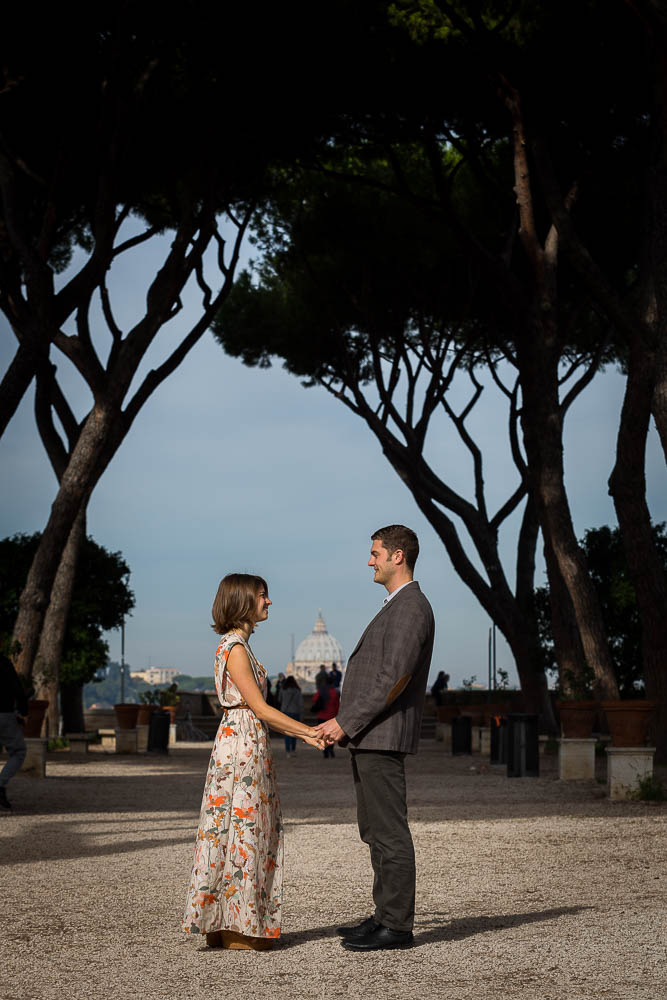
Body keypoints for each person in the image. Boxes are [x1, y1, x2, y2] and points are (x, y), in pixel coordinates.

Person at [182, 574, 324, 951]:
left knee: (229, 831)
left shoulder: (234, 646)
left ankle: (223, 923)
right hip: (243, 742)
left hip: (239, 739)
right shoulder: (236, 648)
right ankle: (241, 927)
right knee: (246, 831)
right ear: (244, 601)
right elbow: (260, 708)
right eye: (263, 595)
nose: (269, 602)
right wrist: (306, 732)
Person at [314, 525, 435, 952]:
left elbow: (393, 678)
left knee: (390, 833)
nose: (370, 560)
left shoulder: (410, 608)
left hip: (380, 735)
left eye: (375, 553)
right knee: (375, 830)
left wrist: (344, 723)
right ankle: (385, 914)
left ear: (397, 556)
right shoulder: (398, 606)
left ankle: (397, 927)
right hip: (371, 736)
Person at [0, 653, 28, 811]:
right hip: (3, 713)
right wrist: (23, 711)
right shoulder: (3, 663)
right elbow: (17, 689)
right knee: (19, 751)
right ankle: (0, 784)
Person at [313, 681, 340, 758]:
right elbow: (337, 705)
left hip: (321, 715)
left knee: (322, 734)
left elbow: (314, 699)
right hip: (331, 715)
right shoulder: (335, 692)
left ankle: (325, 751)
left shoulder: (321, 691)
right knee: (332, 734)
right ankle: (331, 749)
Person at [279, 675, 303, 756]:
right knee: (294, 732)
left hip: (285, 712)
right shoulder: (297, 691)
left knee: (287, 733)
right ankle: (293, 749)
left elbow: (279, 699)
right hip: (295, 712)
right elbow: (300, 704)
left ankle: (287, 751)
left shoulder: (283, 690)